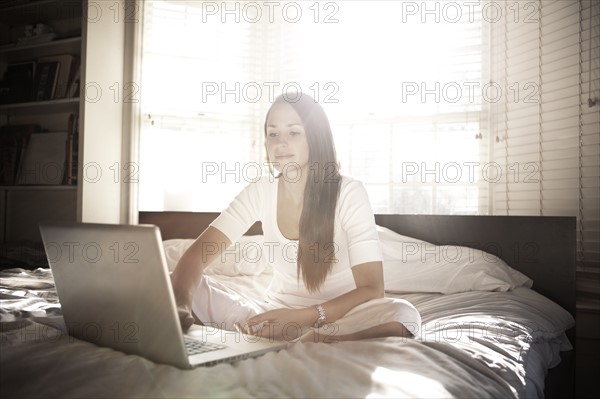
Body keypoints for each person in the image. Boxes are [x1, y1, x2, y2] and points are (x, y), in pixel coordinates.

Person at [170, 93, 421, 343]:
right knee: (177, 282)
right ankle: (283, 336)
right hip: (272, 314)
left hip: (339, 316)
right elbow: (195, 257)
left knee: (404, 314)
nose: (280, 143)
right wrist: (181, 303)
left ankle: (317, 337)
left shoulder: (349, 192)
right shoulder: (260, 190)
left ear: (315, 138)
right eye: (272, 133)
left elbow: (373, 289)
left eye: (293, 132)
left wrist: (303, 317)